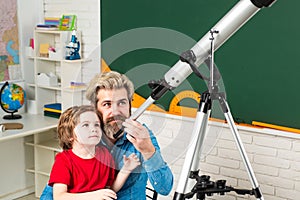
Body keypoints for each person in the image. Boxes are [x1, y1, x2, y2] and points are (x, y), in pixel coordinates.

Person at [41, 71, 174, 199]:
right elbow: (53, 192)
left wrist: (148, 150)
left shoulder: (143, 136)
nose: (115, 111)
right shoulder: (84, 137)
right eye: (107, 104)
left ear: (129, 105)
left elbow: (164, 188)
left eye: (122, 103)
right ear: (95, 107)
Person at [48, 105, 140, 200]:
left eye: (96, 124)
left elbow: (110, 189)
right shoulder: (63, 160)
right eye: (85, 125)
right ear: (69, 135)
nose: (94, 129)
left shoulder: (104, 154)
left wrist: (126, 169)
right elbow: (59, 197)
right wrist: (95, 196)